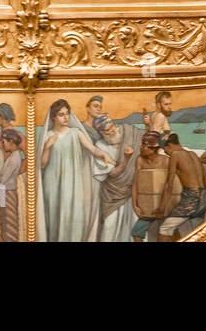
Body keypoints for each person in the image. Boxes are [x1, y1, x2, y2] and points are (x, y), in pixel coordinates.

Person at [38, 98, 106, 241]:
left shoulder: (76, 133)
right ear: (54, 117)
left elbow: (93, 149)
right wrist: (47, 147)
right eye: (61, 114)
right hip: (53, 184)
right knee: (55, 218)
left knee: (74, 217)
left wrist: (106, 156)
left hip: (73, 183)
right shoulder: (49, 136)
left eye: (67, 113)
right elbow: (43, 165)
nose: (66, 117)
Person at [91, 114, 137, 242]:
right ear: (101, 133)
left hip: (131, 191)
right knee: (109, 227)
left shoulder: (127, 135)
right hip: (112, 194)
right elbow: (113, 173)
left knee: (132, 224)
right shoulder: (100, 146)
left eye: (112, 127)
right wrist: (127, 159)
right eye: (107, 130)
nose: (112, 131)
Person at [157, 134, 206, 239]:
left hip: (191, 198)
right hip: (204, 197)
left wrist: (161, 208)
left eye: (164, 149)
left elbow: (169, 185)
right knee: (198, 231)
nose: (165, 152)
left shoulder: (175, 154)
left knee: (165, 229)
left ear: (170, 145)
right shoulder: (193, 154)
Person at [131, 132, 169, 242]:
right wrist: (135, 205)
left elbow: (170, 186)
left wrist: (164, 206)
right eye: (142, 144)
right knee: (136, 233)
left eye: (144, 145)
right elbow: (135, 183)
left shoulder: (166, 160)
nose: (141, 148)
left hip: (164, 206)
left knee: (169, 233)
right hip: (147, 208)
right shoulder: (139, 160)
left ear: (154, 148)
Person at [0, 129, 24, 242]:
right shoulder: (13, 156)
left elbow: (4, 178)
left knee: (9, 220)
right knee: (4, 219)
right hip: (5, 191)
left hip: (8, 193)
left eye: (4, 142)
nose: (3, 145)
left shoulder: (15, 158)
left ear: (11, 141)